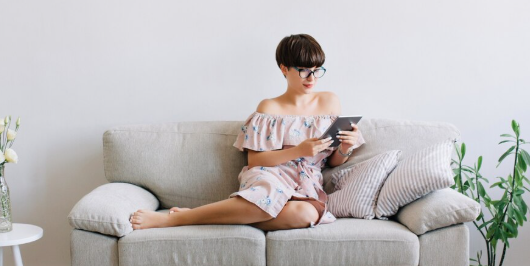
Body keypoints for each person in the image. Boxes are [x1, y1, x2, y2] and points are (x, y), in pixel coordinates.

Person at [129, 33, 365, 231]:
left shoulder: (330, 102)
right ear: (284, 68)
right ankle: (178, 219)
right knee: (266, 196)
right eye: (303, 70)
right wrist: (299, 150)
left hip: (307, 182)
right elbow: (255, 160)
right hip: (270, 174)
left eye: (317, 70)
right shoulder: (268, 108)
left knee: (305, 214)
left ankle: (233, 215)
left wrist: (344, 148)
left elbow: (333, 161)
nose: (311, 78)